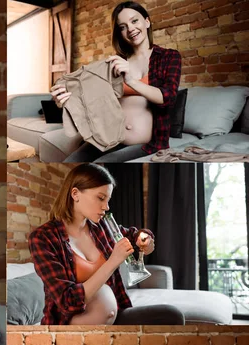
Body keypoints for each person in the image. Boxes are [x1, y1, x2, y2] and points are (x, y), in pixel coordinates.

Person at [28, 163, 184, 325]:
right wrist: (113, 261)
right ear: (75, 194)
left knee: (172, 315)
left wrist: (145, 239)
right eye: (101, 198)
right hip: (70, 326)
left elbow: (135, 235)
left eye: (108, 200)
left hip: (116, 317)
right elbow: (68, 301)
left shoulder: (102, 226)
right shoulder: (43, 238)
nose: (106, 206)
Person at [52, 1, 181, 163]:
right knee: (69, 163)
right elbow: (94, 101)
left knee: (100, 165)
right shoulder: (115, 63)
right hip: (108, 137)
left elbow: (168, 98)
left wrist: (131, 81)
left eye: (134, 21)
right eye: (122, 26)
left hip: (146, 144)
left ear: (147, 22)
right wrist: (64, 99)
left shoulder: (169, 57)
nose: (130, 29)